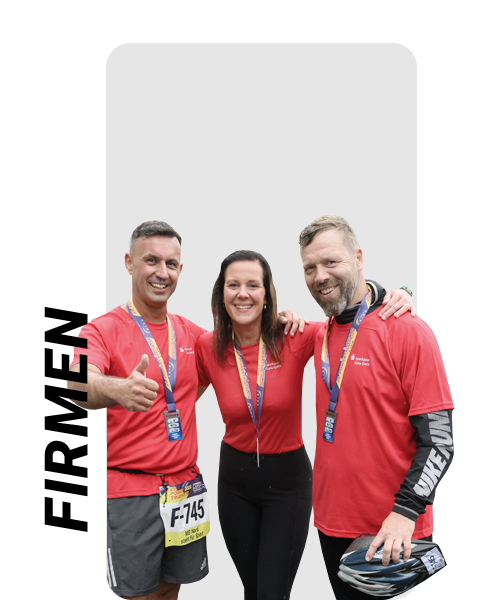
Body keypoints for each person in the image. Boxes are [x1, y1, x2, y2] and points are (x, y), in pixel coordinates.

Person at [67, 221, 305, 600]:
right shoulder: (96, 329)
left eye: (171, 263)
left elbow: (243, 342)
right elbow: (75, 383)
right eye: (151, 261)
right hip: (131, 491)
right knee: (140, 596)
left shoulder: (195, 336)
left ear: (181, 269)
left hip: (184, 489)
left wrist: (279, 320)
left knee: (169, 592)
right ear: (128, 262)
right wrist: (118, 390)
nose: (162, 272)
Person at [195, 250, 416, 600]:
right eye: (233, 285)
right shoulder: (207, 346)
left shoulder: (295, 336)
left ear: (267, 294)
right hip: (234, 481)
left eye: (253, 285)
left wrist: (396, 293)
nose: (243, 293)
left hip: (288, 484)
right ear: (220, 293)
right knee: (252, 590)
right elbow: (179, 398)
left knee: (271, 593)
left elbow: (350, 321)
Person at [298, 215, 454, 600]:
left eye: (331, 261)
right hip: (331, 521)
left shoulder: (407, 330)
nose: (320, 276)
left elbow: (440, 439)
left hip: (391, 529)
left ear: (358, 258)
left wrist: (405, 513)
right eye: (310, 267)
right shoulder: (319, 333)